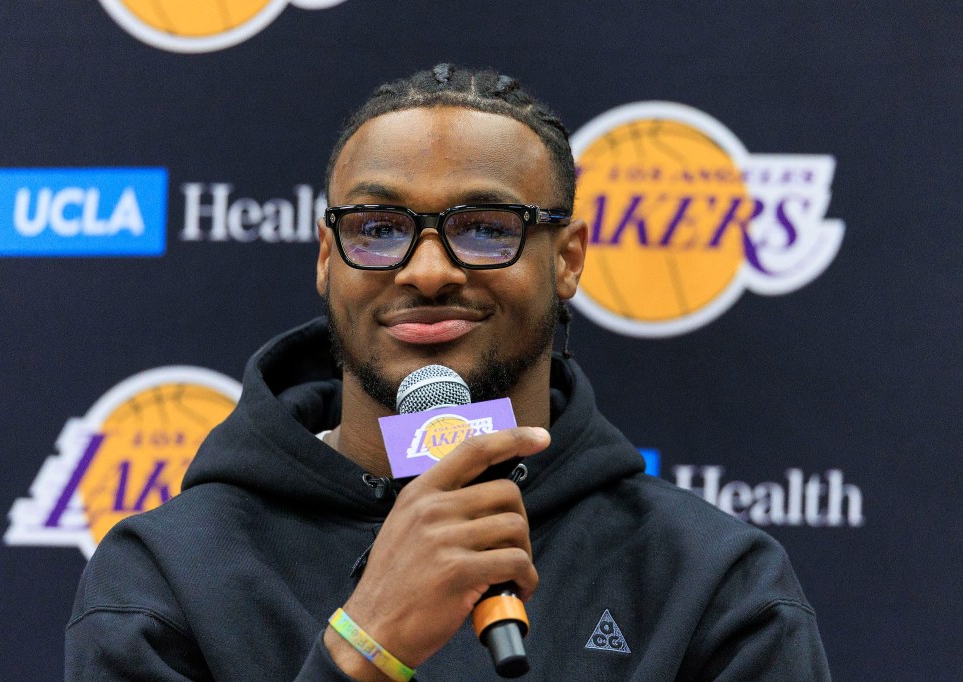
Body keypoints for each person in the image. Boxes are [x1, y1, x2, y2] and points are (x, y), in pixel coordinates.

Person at [65, 64, 831, 681]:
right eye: (378, 229)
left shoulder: (710, 581)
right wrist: (360, 651)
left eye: (485, 228)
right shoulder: (165, 576)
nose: (428, 270)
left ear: (566, 260)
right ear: (327, 259)